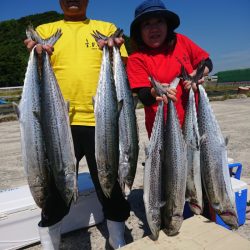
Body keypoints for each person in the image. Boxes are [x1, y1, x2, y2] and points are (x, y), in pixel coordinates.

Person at [24, 0, 130, 249]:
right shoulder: (46, 29)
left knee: (110, 185)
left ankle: (117, 237)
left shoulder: (106, 26)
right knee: (56, 186)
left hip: (101, 122)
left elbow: (121, 68)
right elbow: (38, 72)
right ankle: (50, 239)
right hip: (57, 124)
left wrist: (112, 49)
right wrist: (37, 53)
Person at [126, 0, 213, 138]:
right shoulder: (136, 59)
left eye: (159, 21)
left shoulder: (181, 41)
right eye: (146, 24)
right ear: (139, 31)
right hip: (162, 131)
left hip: (196, 121)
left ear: (167, 25)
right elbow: (144, 95)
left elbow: (207, 62)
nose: (154, 28)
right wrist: (155, 92)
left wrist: (197, 75)